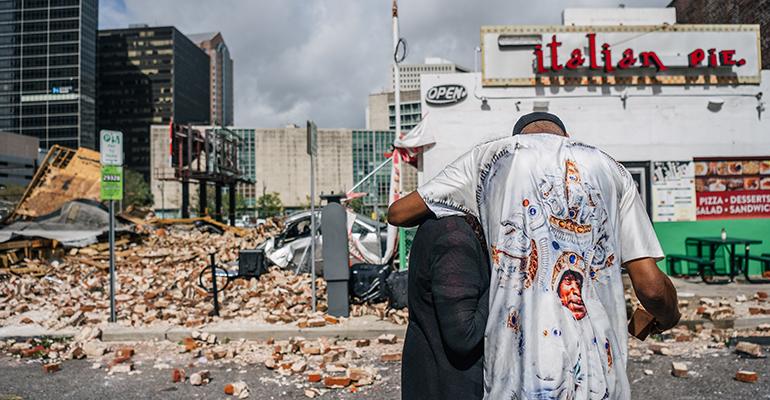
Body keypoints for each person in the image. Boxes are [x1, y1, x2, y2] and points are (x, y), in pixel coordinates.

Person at [389, 112, 680, 400]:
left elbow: (398, 213)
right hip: (598, 371)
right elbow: (652, 287)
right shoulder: (611, 169)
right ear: (567, 138)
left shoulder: (490, 157)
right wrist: (668, 315)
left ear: (517, 138)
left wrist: (472, 202)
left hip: (519, 371)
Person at [401, 215, 490, 400]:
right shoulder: (453, 236)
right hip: (451, 385)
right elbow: (464, 335)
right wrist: (505, 282)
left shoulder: (439, 225)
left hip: (433, 380)